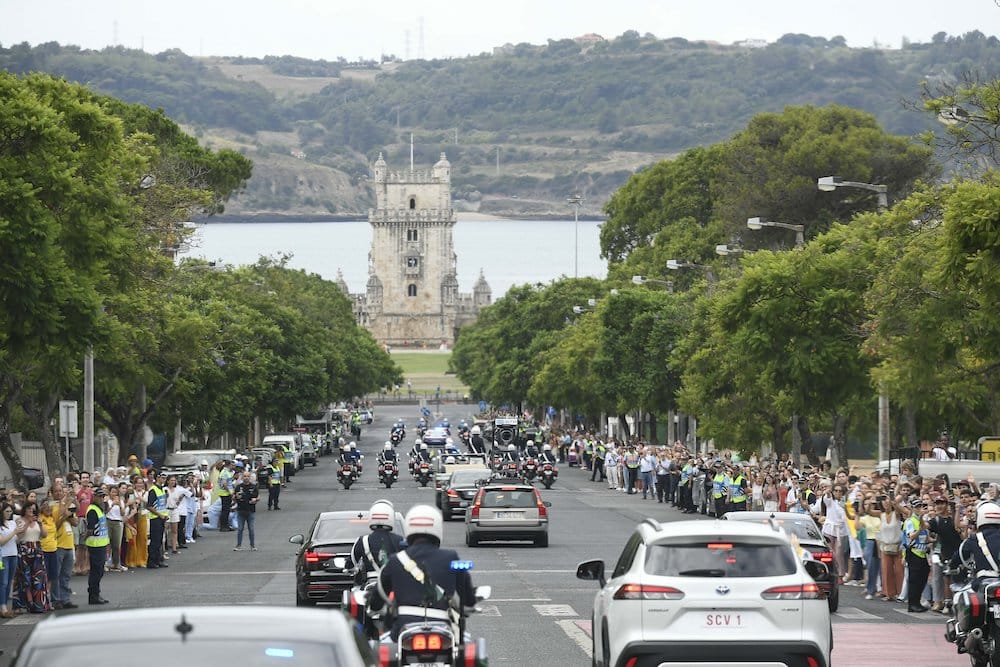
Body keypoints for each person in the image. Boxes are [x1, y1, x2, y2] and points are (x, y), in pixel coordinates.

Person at [372, 505, 476, 641]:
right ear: (438, 529)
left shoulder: (395, 560)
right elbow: (467, 597)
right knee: (471, 651)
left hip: (403, 629)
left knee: (380, 652)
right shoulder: (451, 557)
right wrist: (468, 607)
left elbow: (378, 598)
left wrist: (375, 607)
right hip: (444, 628)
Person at [351, 499, 404, 584]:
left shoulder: (362, 540)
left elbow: (352, 562)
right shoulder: (399, 540)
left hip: (370, 583)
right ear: (391, 517)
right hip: (392, 584)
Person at [13, 502, 50, 613]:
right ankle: (28, 604)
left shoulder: (37, 521)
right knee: (25, 578)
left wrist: (40, 524)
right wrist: (27, 523)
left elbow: (44, 535)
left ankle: (39, 604)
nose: (31, 511)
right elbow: (19, 535)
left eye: (33, 509)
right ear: (25, 509)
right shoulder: (19, 520)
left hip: (36, 549)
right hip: (24, 549)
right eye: (29, 509)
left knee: (38, 577)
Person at [901, 499, 931, 612]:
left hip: (922, 553)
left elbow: (926, 537)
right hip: (913, 552)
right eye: (917, 507)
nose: (920, 509)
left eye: (921, 506)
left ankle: (917, 602)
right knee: (914, 579)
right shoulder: (910, 521)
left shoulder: (920, 520)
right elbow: (911, 536)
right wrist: (920, 529)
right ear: (913, 508)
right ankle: (912, 604)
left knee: (923, 576)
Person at [84, 488, 110, 605]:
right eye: (99, 497)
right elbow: (90, 529)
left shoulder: (99, 509)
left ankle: (96, 593)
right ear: (94, 497)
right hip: (95, 545)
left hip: (101, 543)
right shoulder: (93, 510)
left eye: (102, 497)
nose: (101, 499)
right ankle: (93, 595)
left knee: (99, 571)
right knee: (96, 572)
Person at [146, 472, 169, 568]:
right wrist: (160, 515)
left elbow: (162, 505)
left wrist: (165, 516)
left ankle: (158, 560)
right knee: (155, 541)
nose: (164, 480)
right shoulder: (153, 490)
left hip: (162, 518)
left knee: (159, 540)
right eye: (162, 477)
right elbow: (150, 506)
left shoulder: (162, 490)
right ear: (157, 478)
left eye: (165, 478)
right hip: (155, 518)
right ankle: (151, 561)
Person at [0, 502, 19, 617]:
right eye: (6, 511)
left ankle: (5, 605)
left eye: (10, 511)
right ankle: (3, 607)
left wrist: (19, 532)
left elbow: (16, 540)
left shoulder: (12, 523)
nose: (9, 513)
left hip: (13, 553)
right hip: (3, 555)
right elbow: (2, 541)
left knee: (9, 582)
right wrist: (14, 532)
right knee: (3, 582)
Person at [233, 469, 259, 551]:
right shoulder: (239, 487)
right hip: (241, 510)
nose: (246, 478)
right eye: (245, 476)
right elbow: (234, 497)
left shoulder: (253, 487)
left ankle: (252, 545)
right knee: (240, 529)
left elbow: (258, 497)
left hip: (250, 510)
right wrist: (236, 497)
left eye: (248, 476)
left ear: (250, 477)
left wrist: (255, 500)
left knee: (251, 529)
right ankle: (238, 545)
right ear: (242, 477)